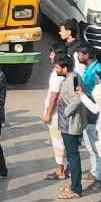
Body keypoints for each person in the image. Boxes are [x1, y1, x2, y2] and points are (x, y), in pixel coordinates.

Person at [54, 56, 88, 199]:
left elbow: (76, 100)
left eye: (57, 67)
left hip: (71, 125)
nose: (55, 69)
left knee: (73, 157)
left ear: (65, 68)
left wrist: (66, 112)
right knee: (71, 156)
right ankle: (74, 184)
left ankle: (76, 189)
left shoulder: (73, 80)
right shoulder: (70, 79)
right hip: (66, 124)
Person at [77, 43, 101, 185]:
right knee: (89, 143)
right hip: (87, 109)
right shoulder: (89, 68)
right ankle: (95, 171)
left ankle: (100, 175)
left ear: (86, 55)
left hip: (94, 111)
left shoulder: (97, 70)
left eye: (80, 53)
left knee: (95, 144)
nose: (77, 56)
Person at [41, 44, 69, 180]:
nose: (50, 56)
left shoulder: (58, 75)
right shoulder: (67, 72)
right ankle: (67, 168)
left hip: (56, 114)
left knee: (58, 140)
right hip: (64, 112)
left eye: (52, 54)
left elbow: (53, 96)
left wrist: (47, 114)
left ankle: (60, 170)